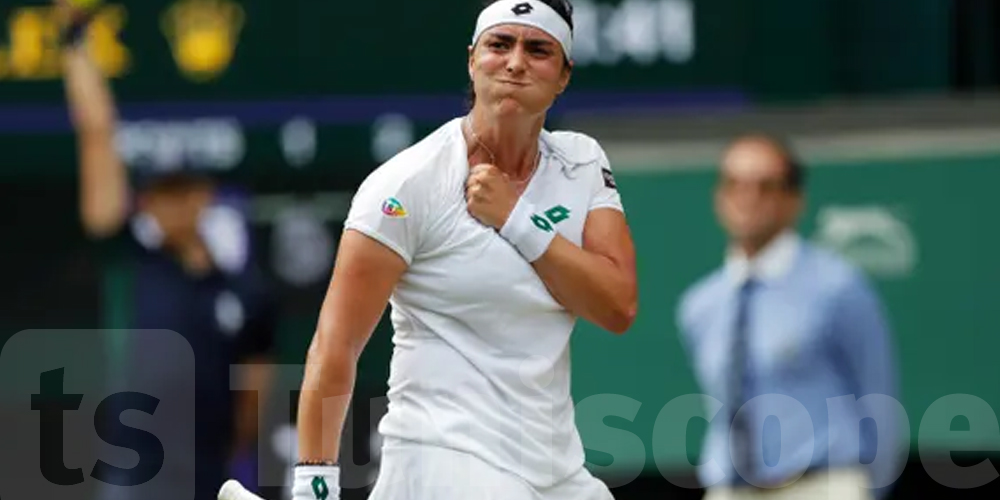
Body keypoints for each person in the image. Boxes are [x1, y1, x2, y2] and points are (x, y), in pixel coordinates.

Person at [290, 1, 637, 499]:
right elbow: (335, 344)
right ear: (473, 60)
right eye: (500, 44)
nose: (516, 62)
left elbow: (617, 305)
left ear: (564, 76)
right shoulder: (406, 186)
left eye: (537, 49)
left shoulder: (582, 162)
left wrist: (517, 220)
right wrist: (312, 484)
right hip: (441, 459)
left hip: (556, 470)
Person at [58, 2, 277, 499]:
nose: (175, 205)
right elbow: (97, 135)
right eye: (163, 193)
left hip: (207, 472)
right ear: (147, 201)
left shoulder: (242, 287)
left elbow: (257, 382)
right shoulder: (130, 258)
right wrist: (74, 40)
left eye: (185, 190)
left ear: (204, 194)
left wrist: (231, 448)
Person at [675, 134, 905, 499]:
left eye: (765, 186)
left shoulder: (838, 287)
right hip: (732, 489)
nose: (748, 198)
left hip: (822, 485)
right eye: (735, 184)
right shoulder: (699, 305)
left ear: (794, 200)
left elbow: (879, 397)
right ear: (719, 197)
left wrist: (870, 489)